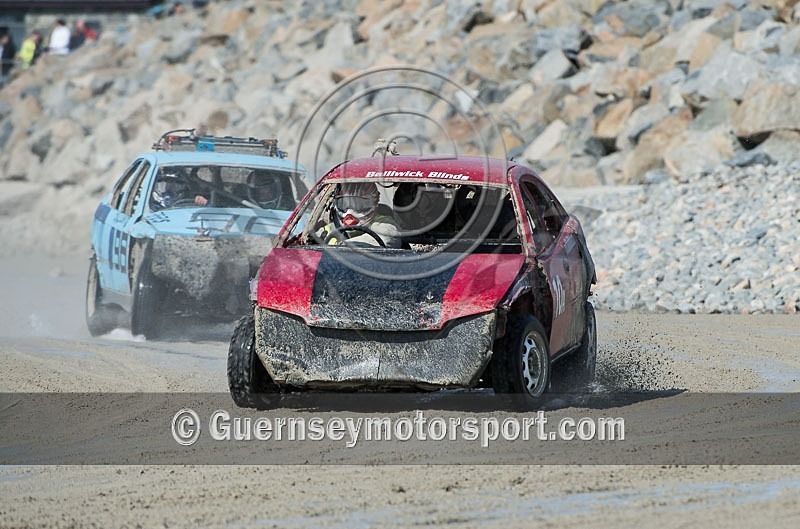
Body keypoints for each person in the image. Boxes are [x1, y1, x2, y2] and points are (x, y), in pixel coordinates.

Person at [319, 182, 401, 248]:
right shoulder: (328, 229)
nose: (349, 212)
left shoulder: (385, 224)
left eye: (359, 204)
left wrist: (340, 246)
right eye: (343, 203)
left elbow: (387, 237)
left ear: (374, 203)